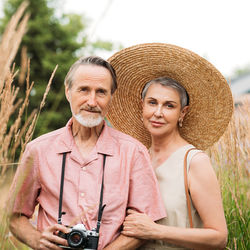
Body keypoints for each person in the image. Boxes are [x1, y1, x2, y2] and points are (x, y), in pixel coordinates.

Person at [8, 56, 166, 250]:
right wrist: (35, 239)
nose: (92, 101)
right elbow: (14, 216)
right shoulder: (38, 150)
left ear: (111, 97)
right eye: (83, 90)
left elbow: (146, 224)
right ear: (68, 92)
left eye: (101, 92)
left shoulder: (134, 152)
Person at [106, 43, 233, 249]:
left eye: (169, 106)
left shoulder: (193, 161)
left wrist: (155, 231)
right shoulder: (138, 158)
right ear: (142, 106)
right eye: (152, 102)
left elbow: (219, 238)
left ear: (182, 113)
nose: (158, 113)